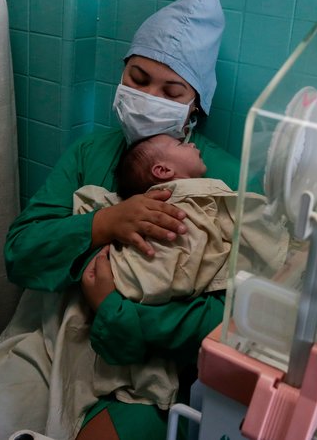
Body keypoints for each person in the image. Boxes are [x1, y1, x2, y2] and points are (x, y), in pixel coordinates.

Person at [0, 0, 244, 440]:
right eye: (138, 79)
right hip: (48, 344)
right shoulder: (89, 153)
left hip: (141, 368)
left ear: (196, 103)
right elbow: (20, 253)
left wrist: (117, 311)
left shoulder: (223, 181)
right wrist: (101, 224)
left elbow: (225, 319)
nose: (148, 96)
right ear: (122, 72)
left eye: (171, 90)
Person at [70, 133, 288, 420]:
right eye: (182, 146)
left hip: (147, 321)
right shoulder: (182, 195)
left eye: (172, 92)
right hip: (131, 289)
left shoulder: (209, 183)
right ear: (163, 171)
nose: (193, 145)